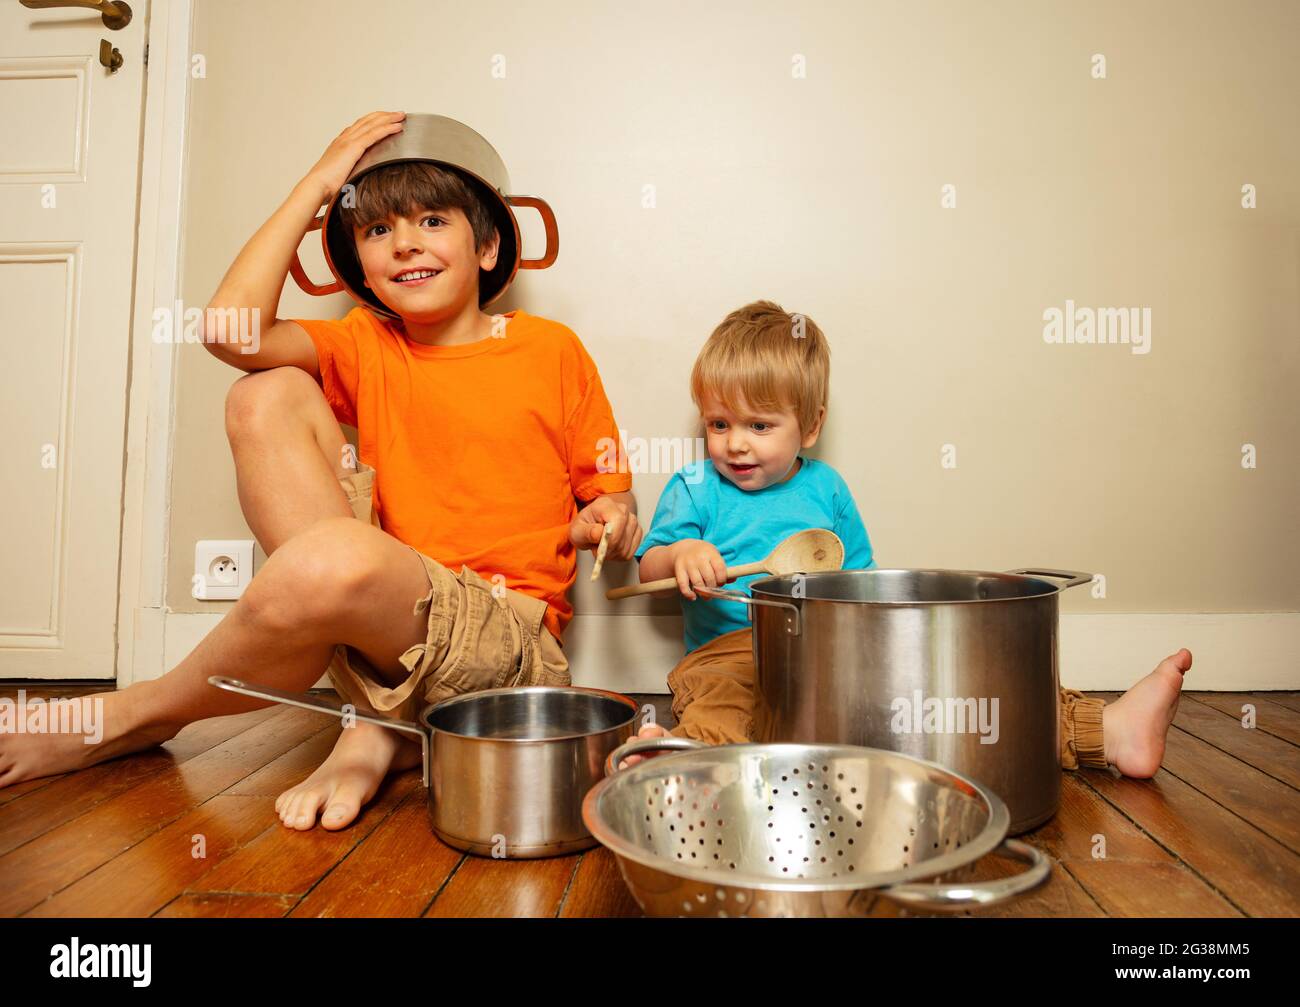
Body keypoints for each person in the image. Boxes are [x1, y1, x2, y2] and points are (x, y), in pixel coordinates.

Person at [0, 111, 644, 832]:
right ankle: (382, 721)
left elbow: (611, 491)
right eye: (376, 230)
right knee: (262, 392)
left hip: (509, 642)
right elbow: (229, 331)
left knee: (332, 555)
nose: (405, 243)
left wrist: (609, 515)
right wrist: (320, 180)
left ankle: (138, 713)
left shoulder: (549, 349)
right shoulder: (368, 343)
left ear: (489, 245)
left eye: (432, 220)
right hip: (379, 621)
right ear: (357, 262)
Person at [628, 300, 1191, 778]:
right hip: (728, 654)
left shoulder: (827, 490)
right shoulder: (697, 486)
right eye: (719, 423)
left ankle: (1106, 732)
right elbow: (647, 569)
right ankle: (678, 765)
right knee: (727, 706)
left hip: (825, 654)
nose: (735, 445)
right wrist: (681, 556)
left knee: (938, 703)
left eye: (760, 425)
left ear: (811, 425)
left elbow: (861, 588)